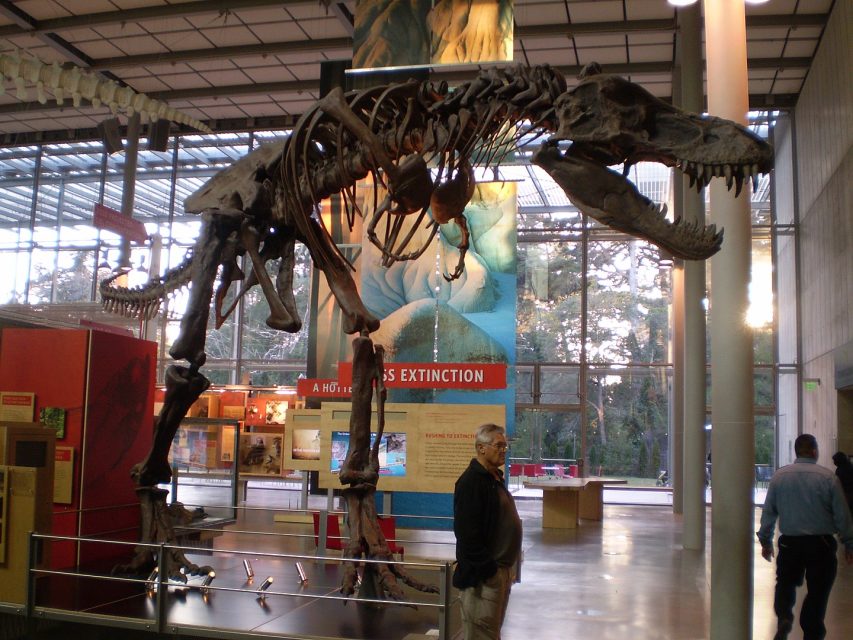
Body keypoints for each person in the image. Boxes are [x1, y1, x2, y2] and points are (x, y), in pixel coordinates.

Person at [757, 434, 853, 640]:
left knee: (785, 582)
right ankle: (811, 630)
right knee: (818, 590)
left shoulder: (780, 477)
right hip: (821, 544)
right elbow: (841, 514)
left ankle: (784, 616)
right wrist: (849, 543)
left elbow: (769, 511)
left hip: (790, 543)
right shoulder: (828, 478)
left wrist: (766, 541)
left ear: (796, 452)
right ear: (815, 451)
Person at [453, 423, 522, 640]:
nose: (503, 450)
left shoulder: (493, 479)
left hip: (500, 571)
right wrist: (489, 571)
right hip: (483, 578)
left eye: (505, 446)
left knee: (491, 632)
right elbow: (467, 534)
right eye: (498, 445)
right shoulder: (471, 483)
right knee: (481, 632)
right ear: (481, 448)